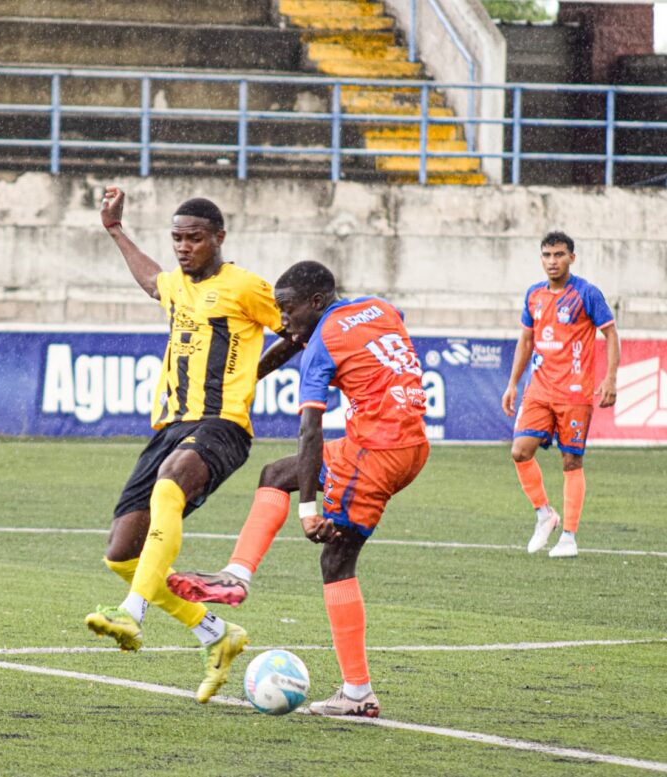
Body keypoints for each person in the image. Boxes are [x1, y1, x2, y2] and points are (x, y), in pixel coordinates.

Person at [167, 260, 430, 717]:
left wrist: (308, 508)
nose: (281, 319)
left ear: (314, 302)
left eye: (286, 309)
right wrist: (250, 381)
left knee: (336, 558)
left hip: (375, 451)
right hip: (410, 445)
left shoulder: (321, 346)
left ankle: (356, 693)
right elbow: (301, 338)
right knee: (275, 475)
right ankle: (238, 573)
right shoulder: (379, 308)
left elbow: (310, 432)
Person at [84, 186, 299, 703]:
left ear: (219, 238)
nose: (184, 247)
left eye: (194, 239)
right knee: (120, 554)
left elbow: (297, 329)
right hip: (169, 426)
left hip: (222, 423)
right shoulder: (178, 284)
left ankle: (130, 615)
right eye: (178, 238)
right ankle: (216, 635)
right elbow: (151, 282)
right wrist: (115, 229)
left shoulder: (244, 286)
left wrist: (255, 375)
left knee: (169, 487)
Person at [501, 231, 620, 558]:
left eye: (559, 255)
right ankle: (544, 514)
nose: (552, 261)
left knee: (571, 460)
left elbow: (610, 334)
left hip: (574, 392)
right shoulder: (533, 295)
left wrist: (610, 378)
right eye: (547, 255)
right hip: (538, 390)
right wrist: (512, 383)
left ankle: (568, 536)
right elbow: (526, 341)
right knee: (520, 452)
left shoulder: (586, 293)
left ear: (572, 258)